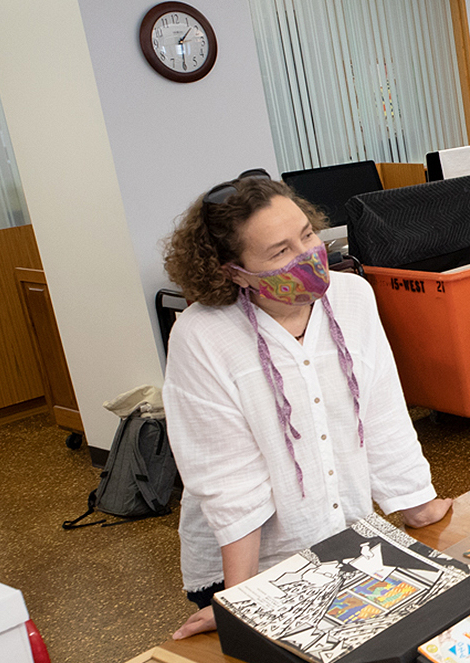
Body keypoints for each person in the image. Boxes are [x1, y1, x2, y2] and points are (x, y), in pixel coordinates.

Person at [162, 169, 451, 639]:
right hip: (250, 564)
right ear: (232, 272)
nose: (307, 256)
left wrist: (414, 502)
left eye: (307, 234)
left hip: (349, 539)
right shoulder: (202, 335)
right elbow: (227, 475)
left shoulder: (353, 296)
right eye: (280, 252)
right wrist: (240, 596)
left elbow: (380, 413)